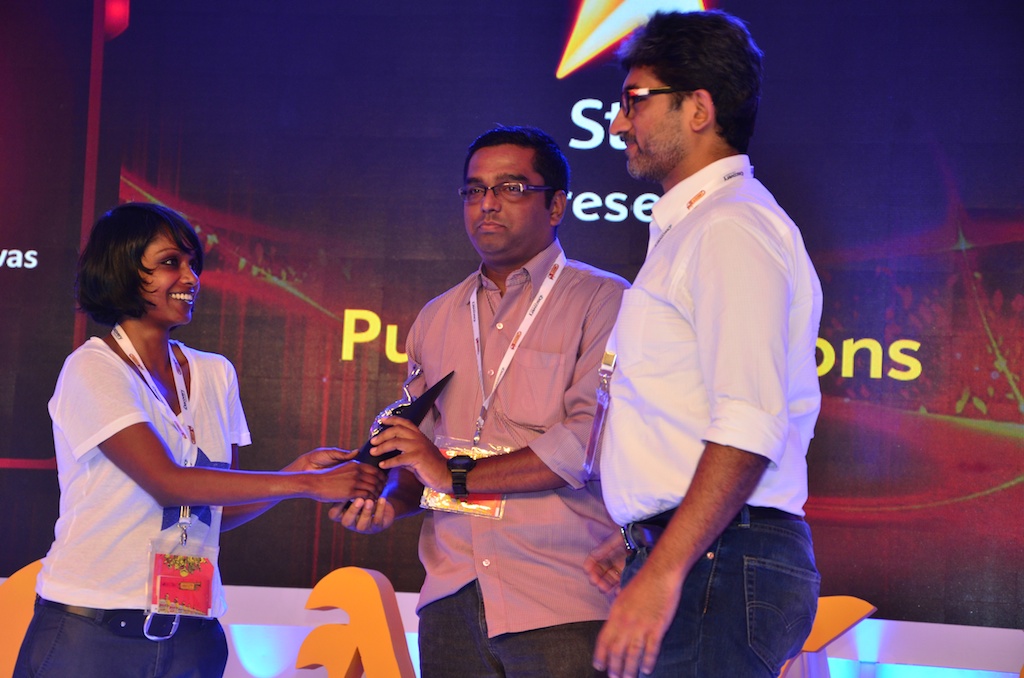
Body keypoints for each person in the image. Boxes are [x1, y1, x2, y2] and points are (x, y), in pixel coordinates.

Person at [14, 202, 385, 678]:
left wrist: (297, 472)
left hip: (190, 635)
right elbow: (168, 483)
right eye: (171, 262)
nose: (191, 278)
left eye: (194, 264)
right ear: (122, 269)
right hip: (91, 634)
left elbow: (215, 510)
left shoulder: (215, 373)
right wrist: (308, 485)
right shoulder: (92, 368)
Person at [335, 126, 629, 677]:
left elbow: (581, 447)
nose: (487, 203)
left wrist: (452, 475)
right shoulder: (436, 317)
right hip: (451, 596)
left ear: (556, 205)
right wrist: (384, 500)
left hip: (561, 596)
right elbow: (418, 456)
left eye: (511, 188)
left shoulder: (604, 301)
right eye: (474, 190)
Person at [589, 10, 823, 678]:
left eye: (635, 101)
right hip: (709, 552)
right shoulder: (700, 227)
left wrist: (666, 567)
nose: (618, 123)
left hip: (719, 561)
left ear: (698, 109)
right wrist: (649, 529)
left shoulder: (730, 229)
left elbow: (749, 424)